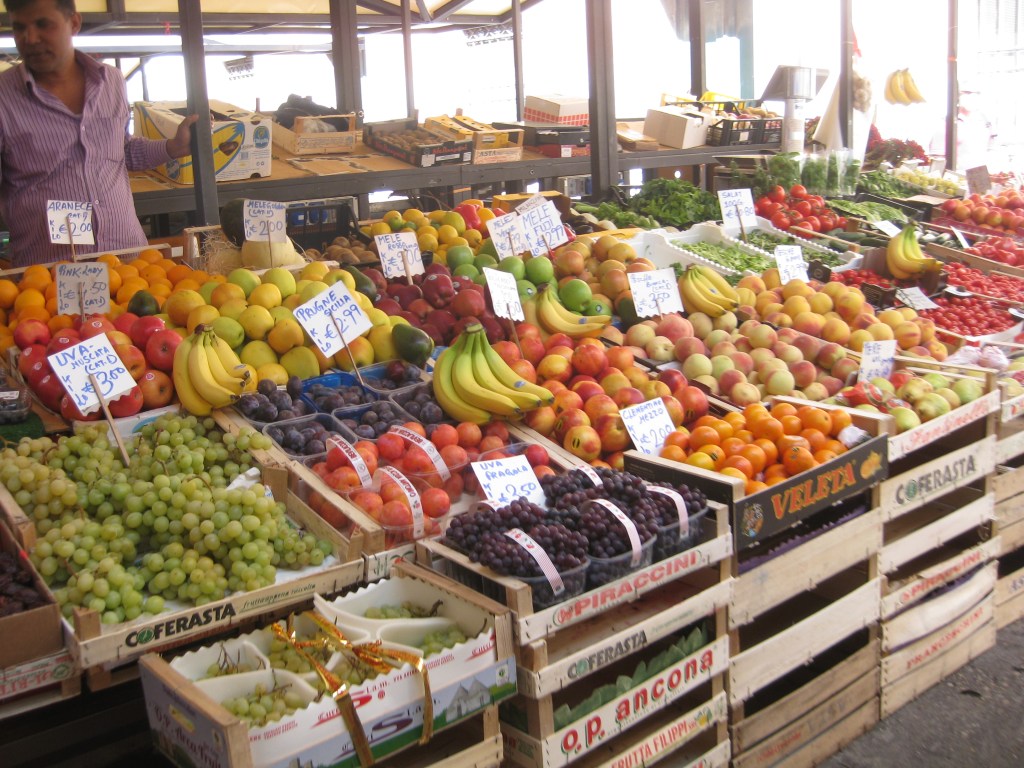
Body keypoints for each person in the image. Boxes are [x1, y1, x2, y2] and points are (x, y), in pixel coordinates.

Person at [0, 0, 198, 266]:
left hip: (128, 260)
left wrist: (173, 146)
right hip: (50, 275)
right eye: (19, 27)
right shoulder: (4, 97)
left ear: (74, 23)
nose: (30, 38)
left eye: (42, 24)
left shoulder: (111, 81)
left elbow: (122, 149)